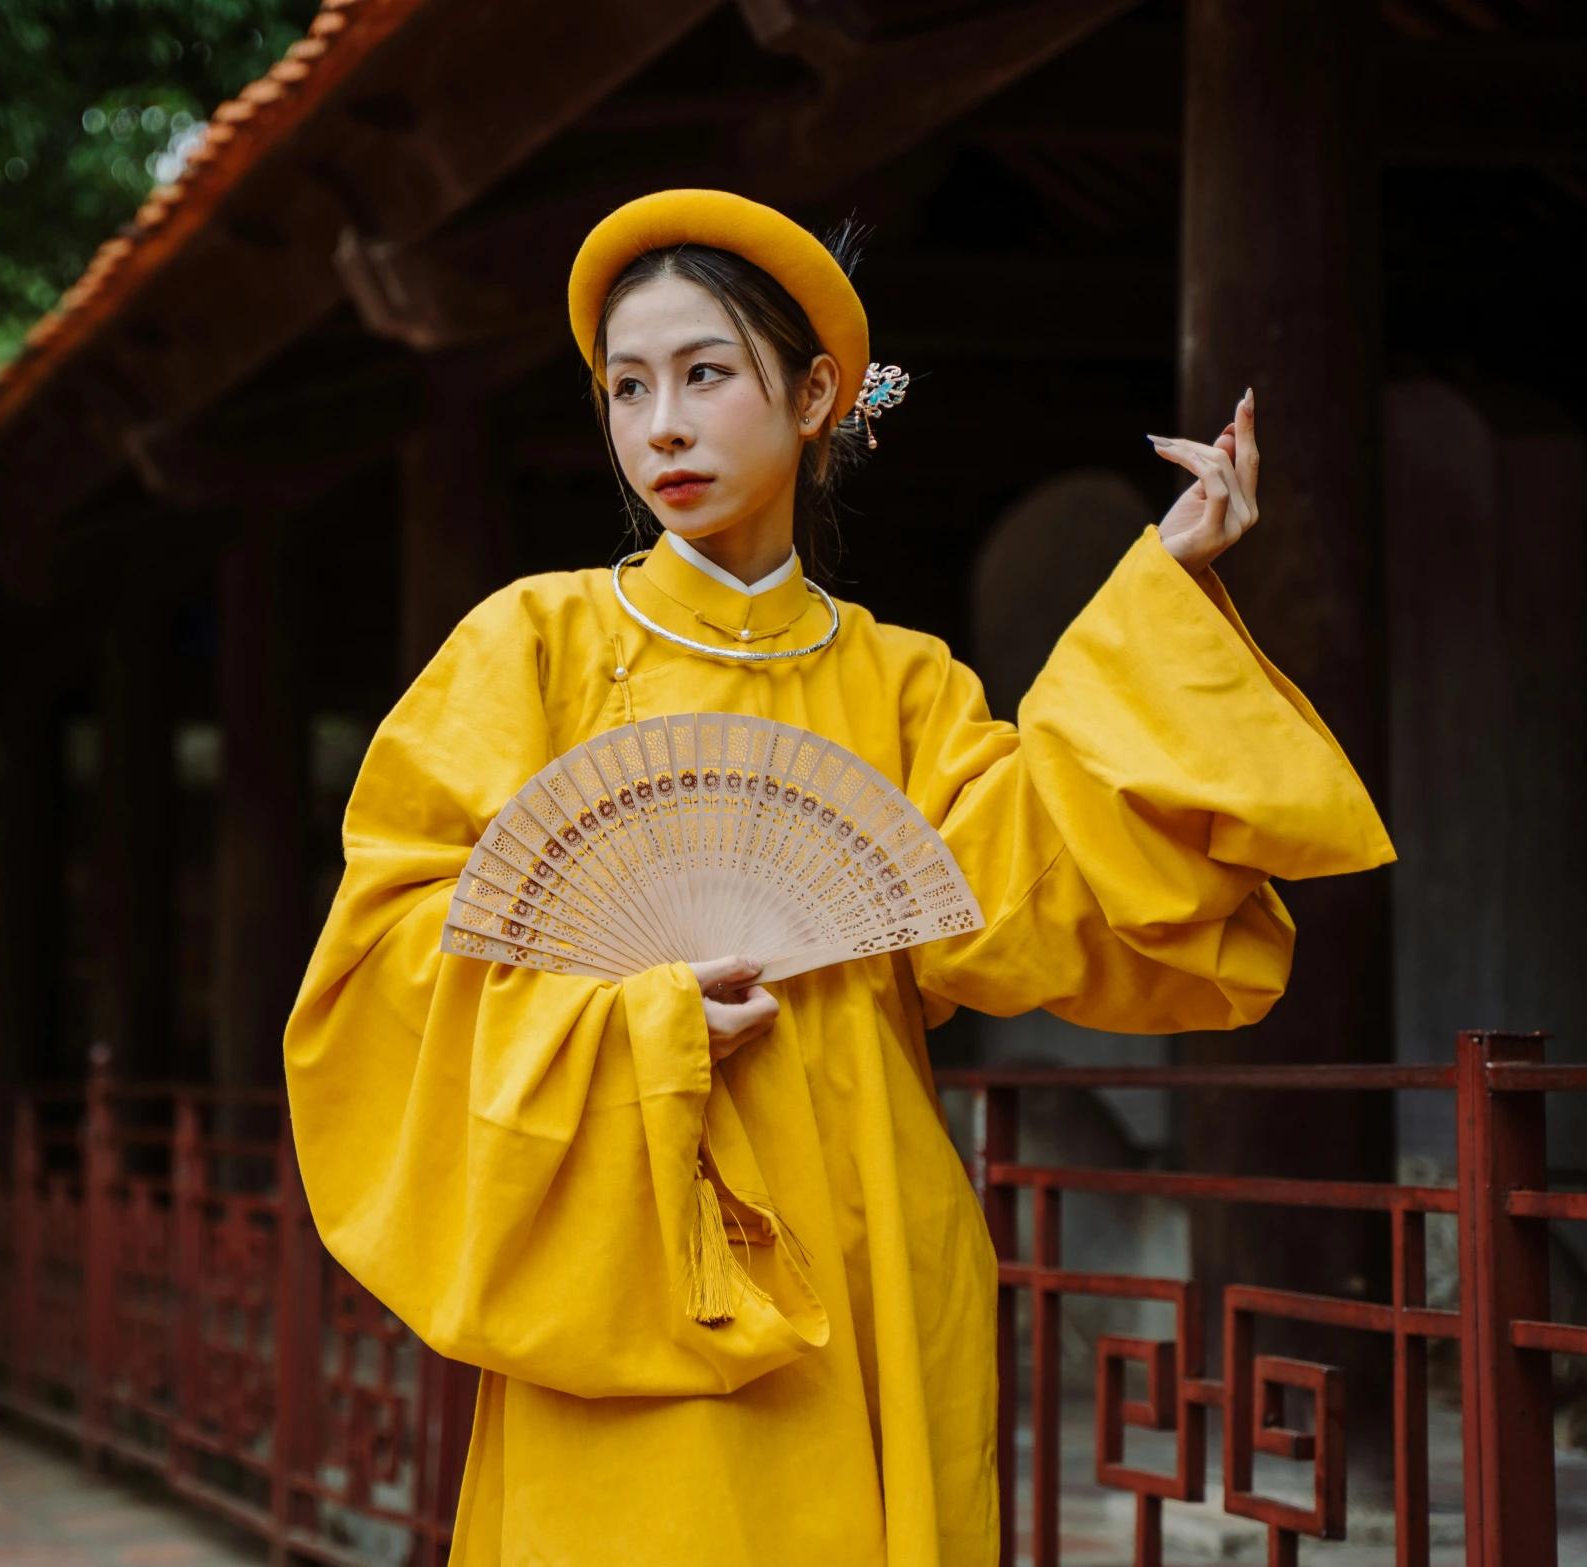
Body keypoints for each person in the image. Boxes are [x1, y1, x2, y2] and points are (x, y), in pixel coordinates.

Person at [282, 189, 1393, 1566]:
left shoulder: (902, 684)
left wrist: (1160, 588)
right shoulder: (530, 649)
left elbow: (1044, 886)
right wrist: (643, 1028)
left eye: (702, 373)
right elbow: (384, 966)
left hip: (874, 1227)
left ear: (817, 395)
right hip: (632, 1262)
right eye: (626, 388)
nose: (660, 426)